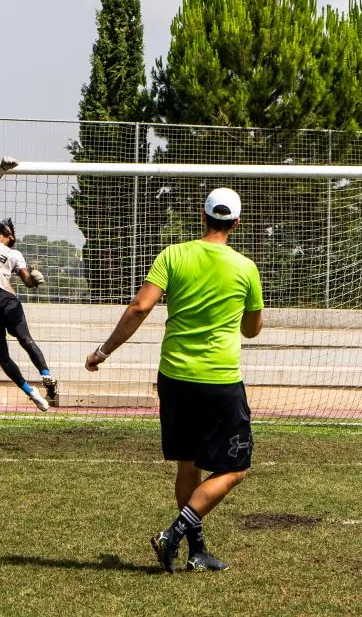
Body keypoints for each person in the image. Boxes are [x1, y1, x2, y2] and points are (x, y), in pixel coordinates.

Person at [85, 187, 263, 573]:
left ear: (202, 217)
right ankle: (176, 534)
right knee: (235, 469)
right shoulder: (246, 268)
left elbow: (139, 307)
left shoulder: (173, 255)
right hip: (219, 380)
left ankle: (196, 552)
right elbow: (252, 330)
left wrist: (103, 351)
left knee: (188, 466)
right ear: (236, 223)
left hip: (175, 379)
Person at [0, 156, 58, 412]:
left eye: (10, 234)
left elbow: (27, 282)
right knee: (1, 355)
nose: (8, 234)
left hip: (6, 298)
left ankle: (47, 377)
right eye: (7, 230)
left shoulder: (15, 255)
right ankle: (30, 391)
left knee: (25, 339)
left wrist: (35, 278)